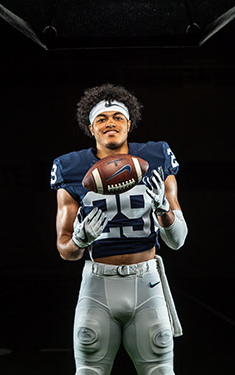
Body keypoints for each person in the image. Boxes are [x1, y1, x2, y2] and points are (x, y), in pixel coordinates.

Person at [50, 83, 188, 375]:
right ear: (91, 128)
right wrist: (80, 238)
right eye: (101, 118)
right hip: (98, 283)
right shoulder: (71, 167)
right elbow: (66, 251)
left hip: (147, 280)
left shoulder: (156, 157)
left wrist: (163, 209)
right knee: (89, 370)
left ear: (129, 124)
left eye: (117, 117)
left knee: (160, 370)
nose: (109, 123)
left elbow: (177, 241)